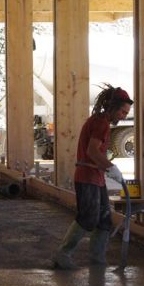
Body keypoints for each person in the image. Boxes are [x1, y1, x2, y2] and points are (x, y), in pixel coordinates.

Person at [52, 85, 133, 269]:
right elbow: (92, 151)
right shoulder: (101, 123)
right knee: (88, 217)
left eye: (126, 112)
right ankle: (63, 253)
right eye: (122, 111)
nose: (124, 116)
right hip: (87, 177)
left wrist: (106, 168)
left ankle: (97, 259)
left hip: (96, 178)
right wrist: (111, 167)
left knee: (104, 219)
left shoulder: (99, 121)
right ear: (112, 107)